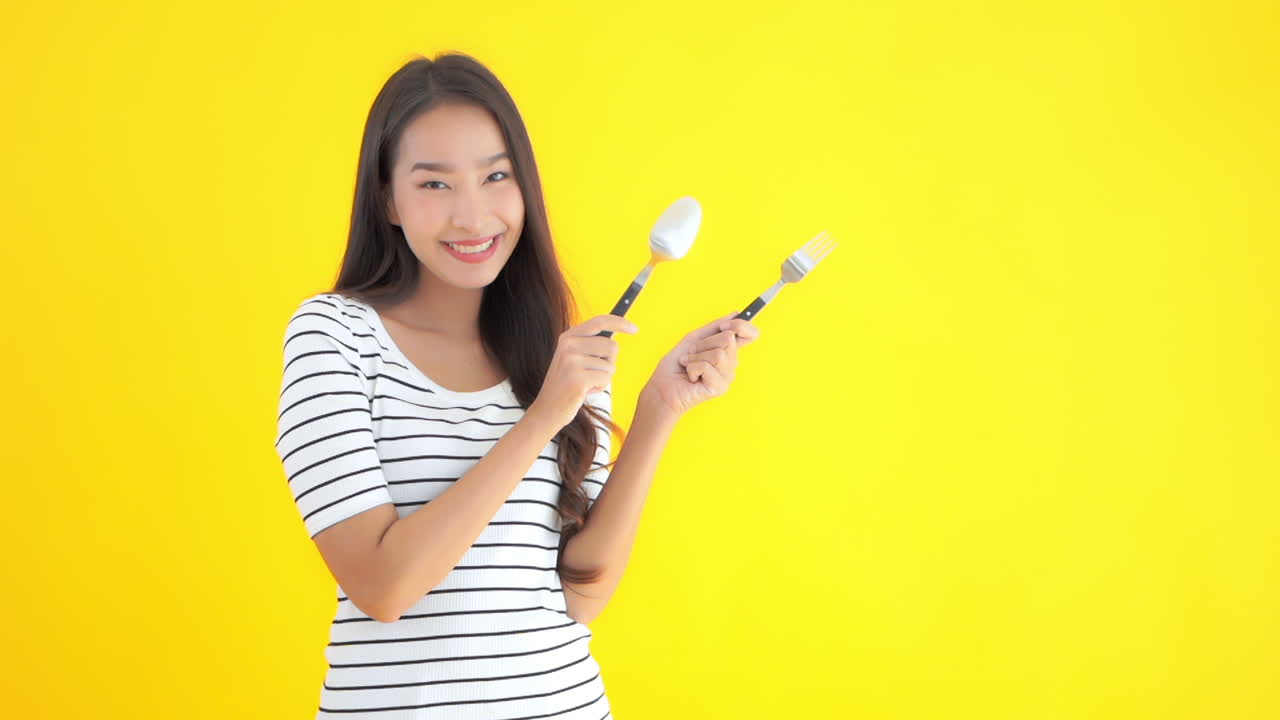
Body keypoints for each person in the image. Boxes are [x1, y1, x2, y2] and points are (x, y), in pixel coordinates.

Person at [272, 52, 760, 719]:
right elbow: (383, 589)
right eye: (435, 184)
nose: (473, 217)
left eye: (495, 176)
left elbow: (579, 596)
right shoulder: (335, 336)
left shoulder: (558, 355)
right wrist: (540, 420)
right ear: (387, 199)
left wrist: (658, 408)